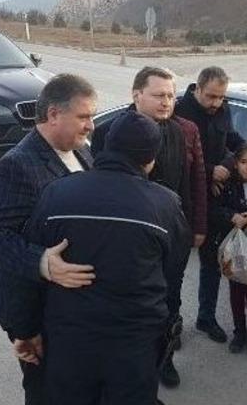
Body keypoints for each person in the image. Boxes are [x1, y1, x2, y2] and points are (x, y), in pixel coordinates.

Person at [20, 110, 189, 405]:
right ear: (150, 158)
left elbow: (29, 270)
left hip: (68, 340)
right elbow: (172, 273)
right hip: (133, 344)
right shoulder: (166, 204)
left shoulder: (57, 192)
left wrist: (24, 329)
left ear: (106, 147)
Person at [0, 74, 97, 404]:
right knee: (45, 389)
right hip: (33, 307)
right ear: (54, 114)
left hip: (70, 307)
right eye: (84, 116)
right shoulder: (16, 165)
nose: (91, 126)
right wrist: (42, 261)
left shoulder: (82, 152)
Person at [91, 66, 207, 388]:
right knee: (127, 304)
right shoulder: (108, 132)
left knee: (169, 300)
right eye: (158, 95)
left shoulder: (181, 131)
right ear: (136, 94)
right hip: (126, 239)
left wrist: (193, 227)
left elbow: (189, 183)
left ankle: (164, 359)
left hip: (171, 236)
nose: (166, 102)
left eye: (171, 95)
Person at [174, 66, 245, 344]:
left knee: (211, 264)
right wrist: (209, 173)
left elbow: (233, 143)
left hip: (214, 200)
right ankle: (172, 323)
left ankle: (206, 318)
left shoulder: (222, 110)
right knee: (175, 269)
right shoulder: (178, 112)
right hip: (185, 200)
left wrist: (226, 165)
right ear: (198, 88)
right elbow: (176, 162)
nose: (216, 103)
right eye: (211, 96)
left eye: (221, 97)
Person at [210, 142, 247, 355]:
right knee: (236, 289)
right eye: (244, 162)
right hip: (233, 246)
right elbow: (215, 209)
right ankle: (239, 333)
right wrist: (231, 216)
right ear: (235, 164)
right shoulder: (227, 184)